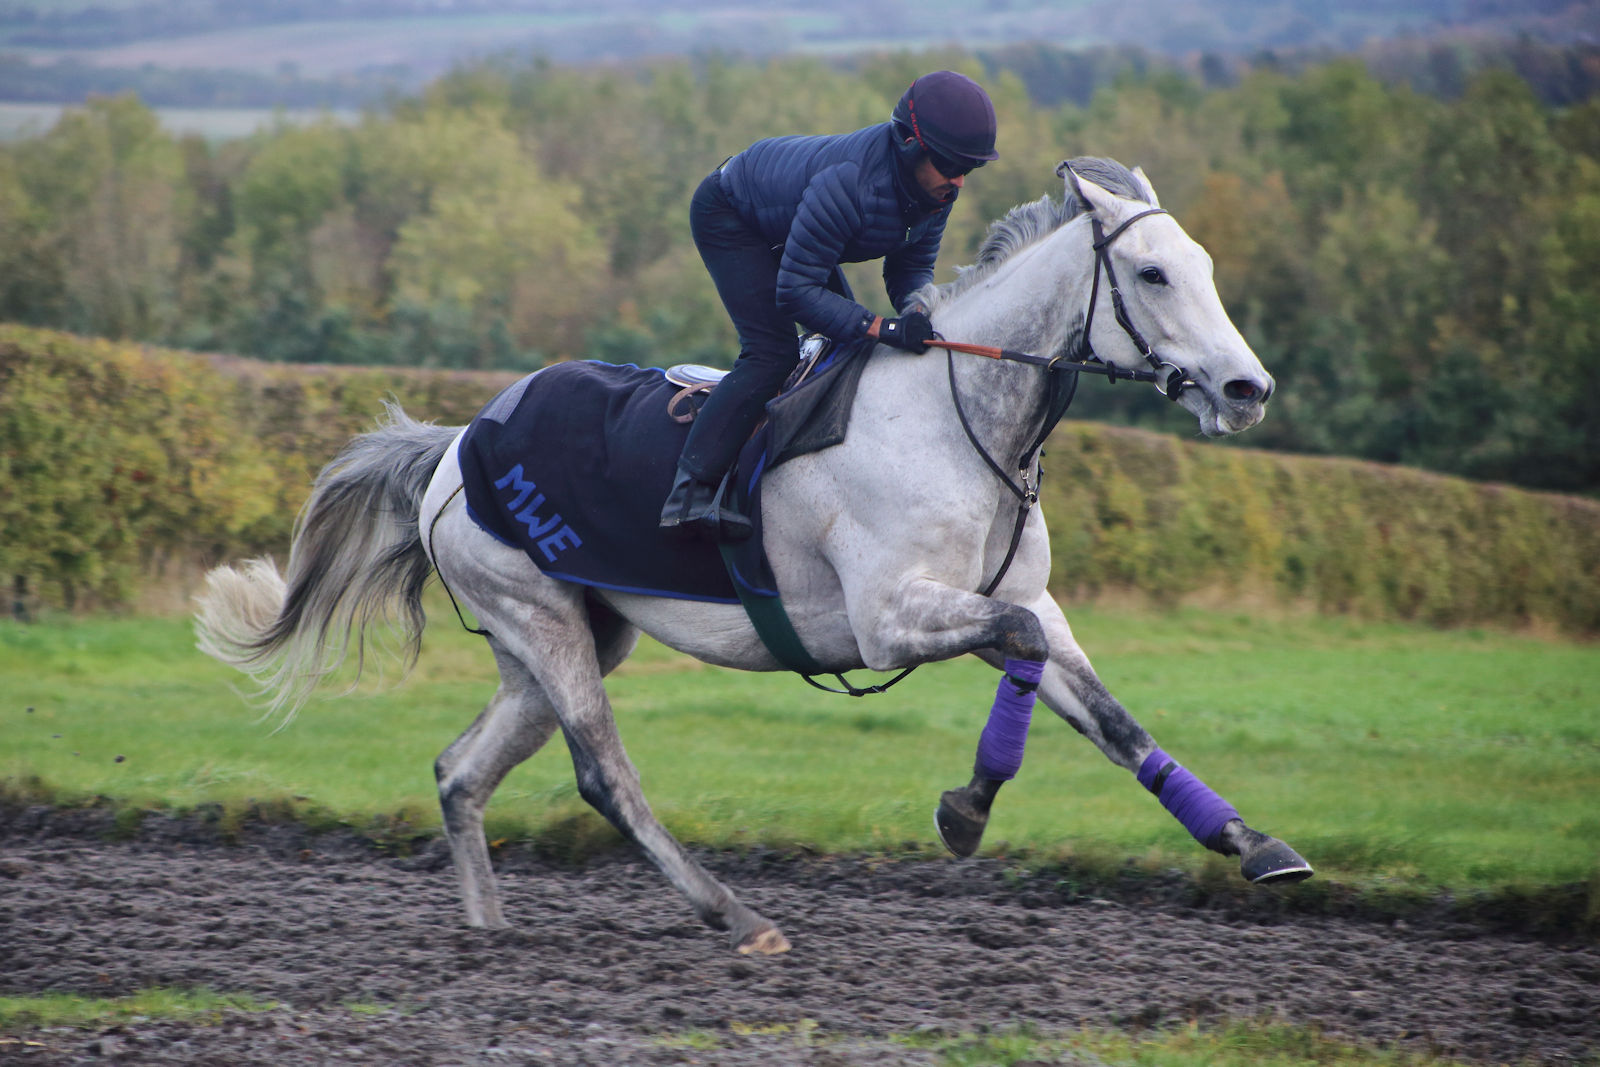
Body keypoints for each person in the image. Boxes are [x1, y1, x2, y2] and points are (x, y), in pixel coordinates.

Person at [659, 70, 1000, 540]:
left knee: (848, 346)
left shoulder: (936, 190)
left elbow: (910, 269)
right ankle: (688, 494)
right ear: (909, 145)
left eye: (968, 170)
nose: (958, 180)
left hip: (789, 223)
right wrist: (886, 328)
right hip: (732, 216)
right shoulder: (850, 183)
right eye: (949, 165)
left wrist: (919, 312)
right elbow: (796, 292)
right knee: (772, 353)